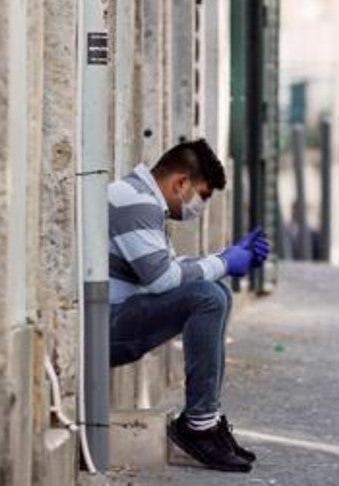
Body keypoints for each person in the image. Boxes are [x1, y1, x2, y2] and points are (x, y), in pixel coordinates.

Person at [108, 139, 271, 473]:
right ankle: (198, 426)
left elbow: (166, 268)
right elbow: (163, 279)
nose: (201, 207)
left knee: (216, 294)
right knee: (209, 296)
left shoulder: (143, 200)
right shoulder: (135, 203)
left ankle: (205, 418)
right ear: (181, 183)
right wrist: (224, 263)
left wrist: (221, 258)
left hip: (116, 318)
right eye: (203, 196)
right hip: (102, 329)